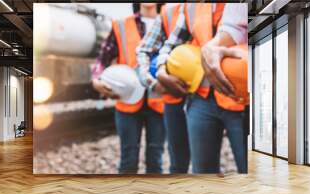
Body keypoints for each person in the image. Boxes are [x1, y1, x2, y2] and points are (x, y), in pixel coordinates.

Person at [156, 3, 248, 173]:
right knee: (203, 175)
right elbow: (171, 44)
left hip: (242, 101)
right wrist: (161, 68)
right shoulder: (190, 6)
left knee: (251, 172)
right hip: (201, 99)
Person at [91, 3, 166, 174]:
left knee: (156, 160)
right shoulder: (121, 25)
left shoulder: (168, 23)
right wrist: (96, 79)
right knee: (128, 159)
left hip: (159, 101)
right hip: (128, 100)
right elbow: (103, 58)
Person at [136, 4, 190, 173]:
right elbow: (144, 50)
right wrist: (154, 82)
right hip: (174, 99)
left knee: (205, 167)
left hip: (211, 97)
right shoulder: (168, 12)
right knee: (178, 164)